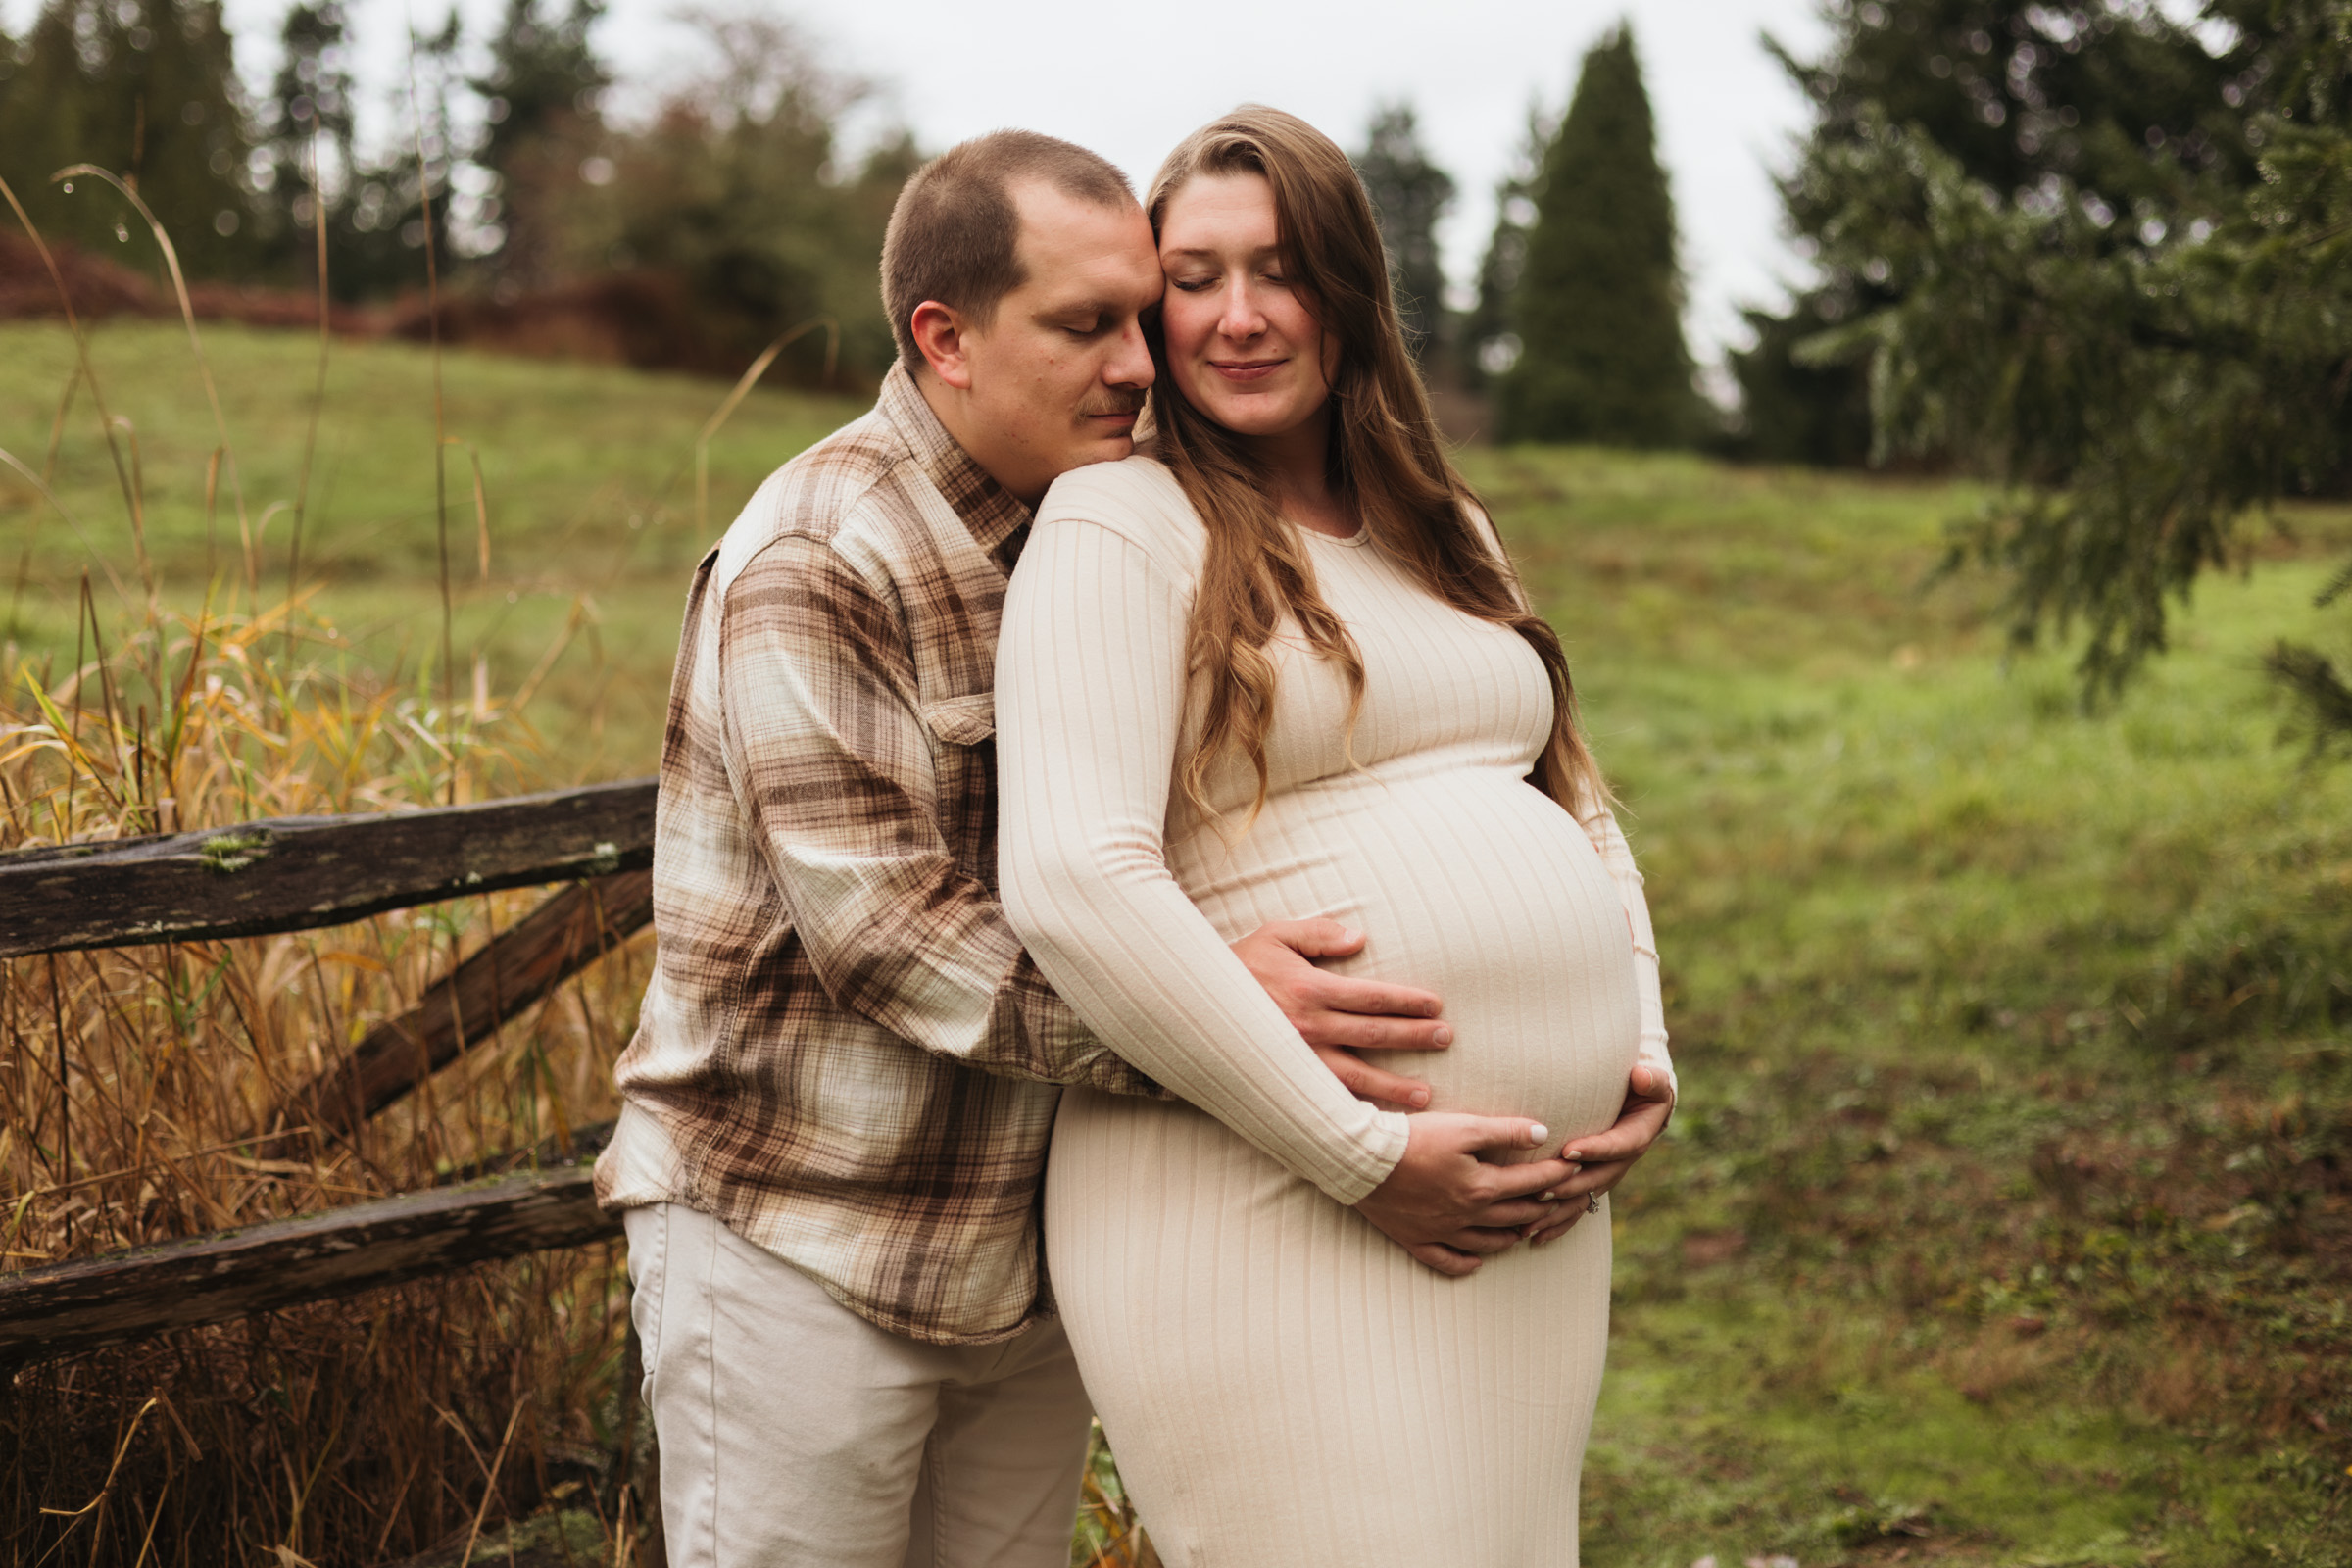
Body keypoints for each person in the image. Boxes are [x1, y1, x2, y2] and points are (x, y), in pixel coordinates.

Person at [594, 128, 1591, 1568]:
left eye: (1141, 314)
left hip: (1022, 1240)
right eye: (1086, 325)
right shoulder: (822, 554)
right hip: (811, 1231)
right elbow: (886, 937)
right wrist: (1224, 1009)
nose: (1141, 361)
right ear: (945, 337)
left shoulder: (1103, 515)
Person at [996, 106, 1680, 1565]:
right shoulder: (1122, 523)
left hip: (1522, 1223)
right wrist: (1365, 1155)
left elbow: (1574, 803)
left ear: (1353, 292)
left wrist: (1641, 1052)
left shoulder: (1444, 531)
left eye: (1284, 269)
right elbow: (1073, 878)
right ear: (1150, 305)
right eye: (1197, 277)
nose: (1240, 317)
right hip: (1268, 1190)